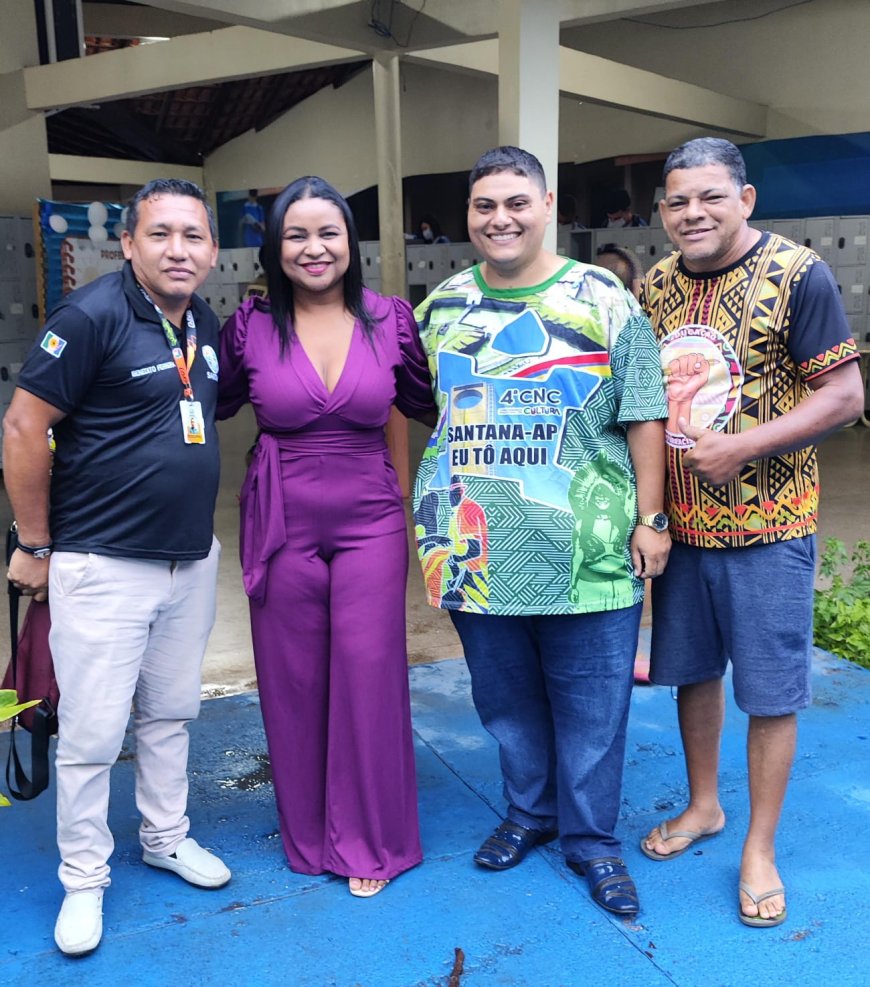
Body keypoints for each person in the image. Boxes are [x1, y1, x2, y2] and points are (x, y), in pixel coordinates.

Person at [412, 146, 670, 916]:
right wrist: (416, 502)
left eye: (516, 203)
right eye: (485, 205)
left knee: (594, 708)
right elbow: (409, 409)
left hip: (588, 547)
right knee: (506, 702)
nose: (501, 218)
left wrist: (652, 518)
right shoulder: (442, 306)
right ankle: (530, 812)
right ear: (469, 214)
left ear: (546, 204)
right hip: (477, 549)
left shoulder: (605, 298)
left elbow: (646, 412)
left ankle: (592, 841)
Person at [639, 138, 864, 928]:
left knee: (770, 691)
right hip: (685, 531)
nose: (692, 212)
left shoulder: (800, 274)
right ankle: (704, 805)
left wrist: (746, 445)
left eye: (709, 197)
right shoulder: (658, 283)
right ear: (663, 210)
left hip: (770, 527)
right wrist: (650, 513)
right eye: (677, 200)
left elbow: (843, 395)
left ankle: (760, 846)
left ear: (746, 199)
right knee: (692, 673)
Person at [3, 178, 229, 957]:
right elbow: (24, 426)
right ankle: (84, 877)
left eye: (193, 235)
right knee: (94, 734)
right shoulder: (91, 315)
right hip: (102, 565)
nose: (178, 249)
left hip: (190, 563)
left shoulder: (203, 320)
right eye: (160, 233)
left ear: (212, 248)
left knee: (170, 714)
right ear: (128, 243)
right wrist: (35, 543)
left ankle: (167, 836)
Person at [217, 176, 435, 899]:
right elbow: (194, 403)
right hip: (281, 515)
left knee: (368, 671)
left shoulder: (389, 318)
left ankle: (370, 836)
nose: (315, 248)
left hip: (368, 514)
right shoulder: (248, 326)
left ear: (350, 242)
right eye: (297, 235)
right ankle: (310, 833)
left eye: (328, 232)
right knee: (295, 677)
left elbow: (428, 399)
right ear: (275, 250)